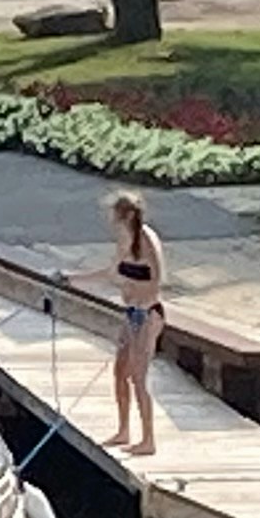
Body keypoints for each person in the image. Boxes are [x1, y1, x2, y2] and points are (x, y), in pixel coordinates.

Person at [100, 190, 167, 454]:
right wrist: (71, 279)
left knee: (139, 377)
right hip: (130, 313)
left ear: (127, 215)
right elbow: (110, 272)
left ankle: (148, 439)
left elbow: (157, 279)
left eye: (115, 213)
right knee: (120, 373)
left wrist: (136, 290)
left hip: (148, 313)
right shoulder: (124, 240)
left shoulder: (146, 238)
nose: (112, 219)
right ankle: (123, 430)